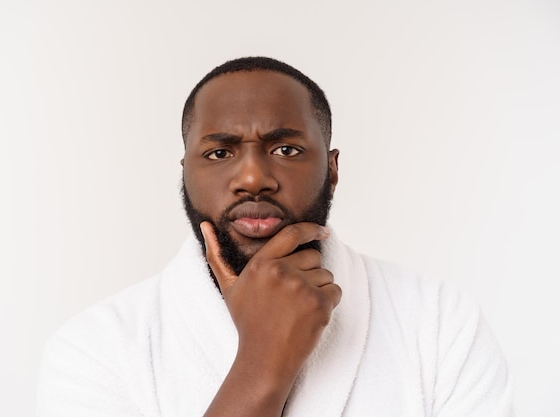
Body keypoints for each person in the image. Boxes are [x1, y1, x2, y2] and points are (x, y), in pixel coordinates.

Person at [37, 57, 514, 417]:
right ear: (186, 174)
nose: (252, 178)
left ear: (331, 169)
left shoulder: (440, 322)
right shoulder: (95, 347)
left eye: (286, 148)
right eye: (220, 153)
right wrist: (262, 364)